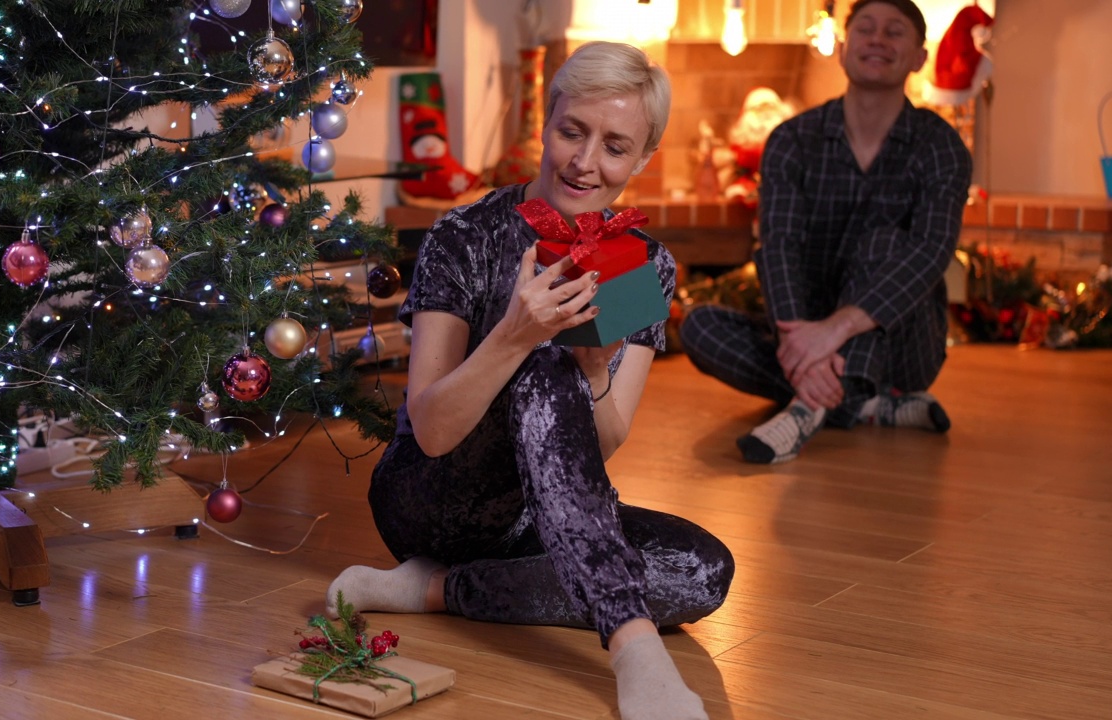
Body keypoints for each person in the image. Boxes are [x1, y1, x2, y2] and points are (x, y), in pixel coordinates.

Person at [327, 41, 732, 720]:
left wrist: (596, 372)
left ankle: (435, 591)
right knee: (541, 361)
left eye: (614, 145)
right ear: (548, 121)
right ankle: (634, 649)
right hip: (431, 496)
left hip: (539, 521)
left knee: (703, 570)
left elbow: (600, 446)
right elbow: (428, 430)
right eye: (572, 131)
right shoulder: (464, 233)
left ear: (642, 159)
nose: (585, 161)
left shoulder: (640, 267)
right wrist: (516, 334)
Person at [681, 0, 972, 464]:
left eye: (895, 32)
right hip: (806, 331)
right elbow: (779, 246)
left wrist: (832, 333)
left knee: (885, 242)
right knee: (700, 327)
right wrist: (805, 342)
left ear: (919, 57)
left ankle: (807, 408)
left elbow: (931, 252)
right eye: (866, 29)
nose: (877, 39)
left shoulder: (940, 146)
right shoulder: (792, 140)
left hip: (906, 347)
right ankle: (869, 403)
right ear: (841, 47)